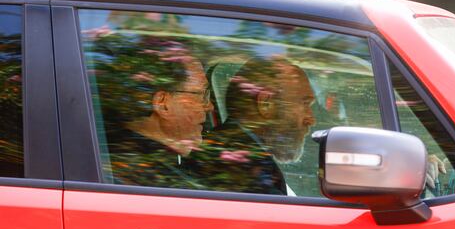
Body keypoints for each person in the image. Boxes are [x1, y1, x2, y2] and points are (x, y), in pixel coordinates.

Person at [197, 57, 316, 195]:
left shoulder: (230, 149)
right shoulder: (239, 165)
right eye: (305, 104)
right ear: (265, 104)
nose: (311, 119)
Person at [105, 58, 214, 189]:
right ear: (163, 104)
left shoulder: (163, 159)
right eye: (200, 95)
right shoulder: (133, 169)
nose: (210, 107)